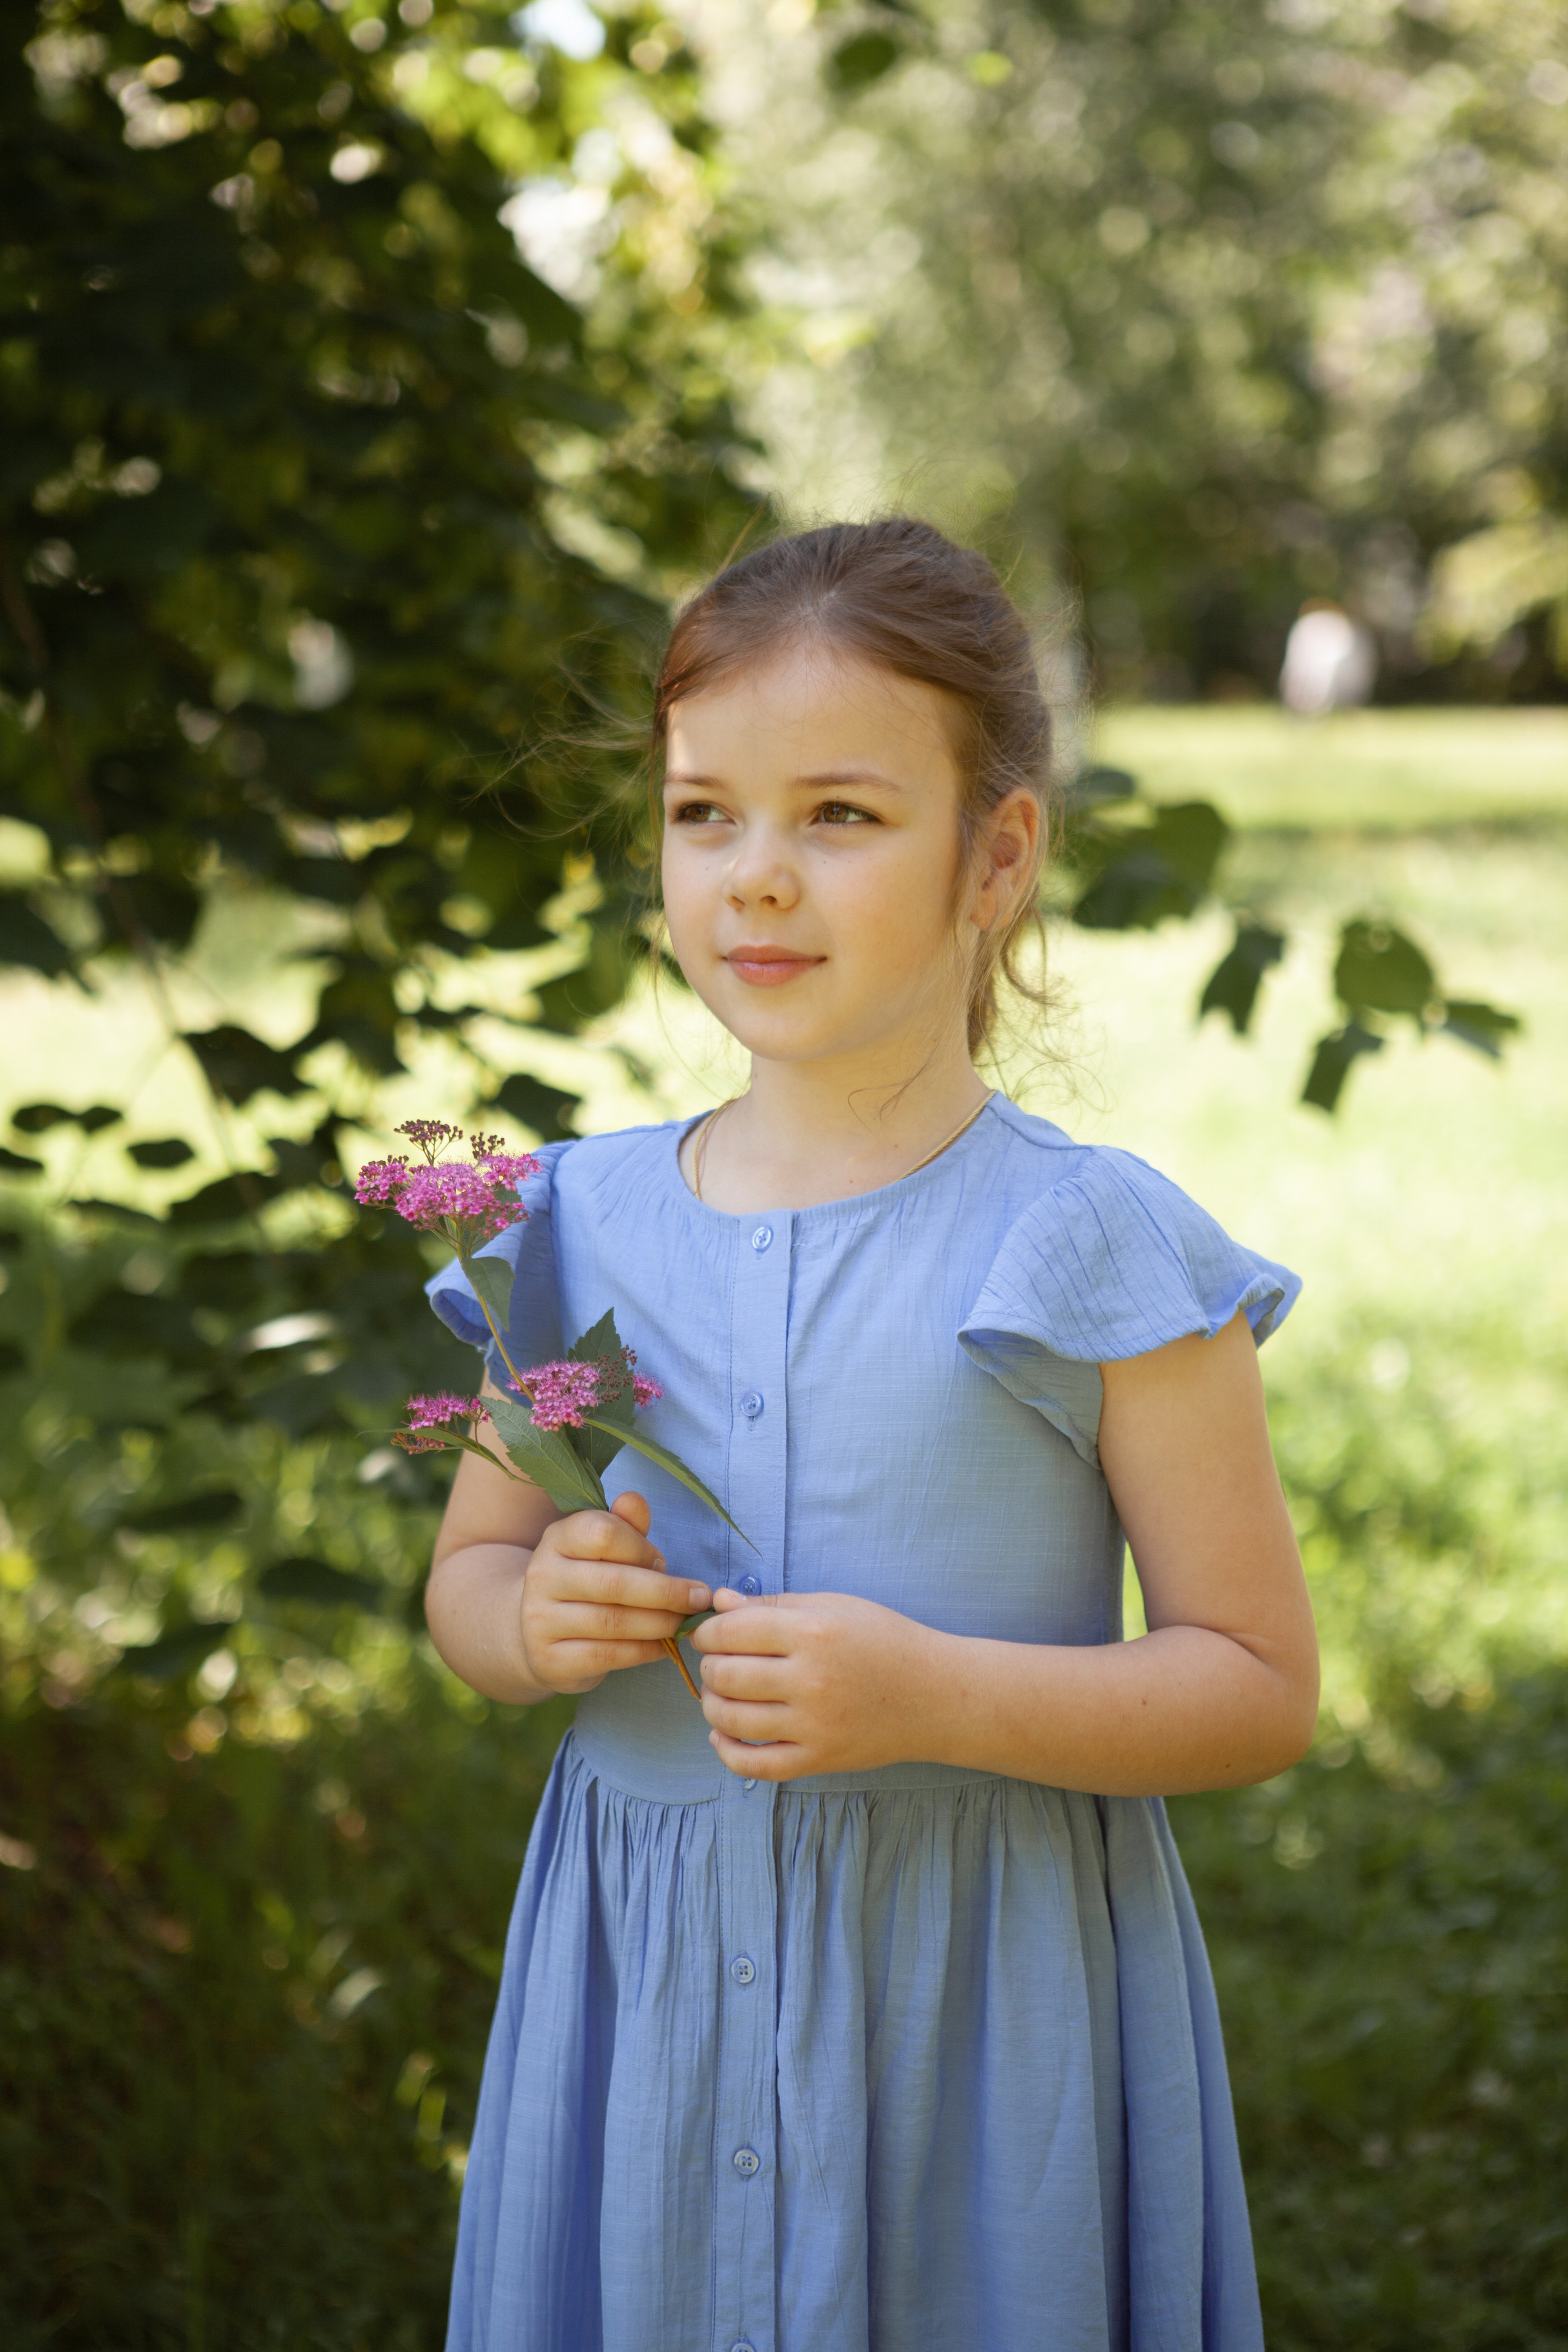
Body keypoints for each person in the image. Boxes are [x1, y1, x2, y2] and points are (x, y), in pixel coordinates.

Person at [423, 518, 1319, 2352]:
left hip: (978, 2022)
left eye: (840, 817)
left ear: (997, 859)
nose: (757, 878)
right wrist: (535, 1620)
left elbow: (1253, 1682)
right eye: (703, 816)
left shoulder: (1094, 1246)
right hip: (647, 2012)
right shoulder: (568, 1227)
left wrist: (934, 1700)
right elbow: (471, 1582)